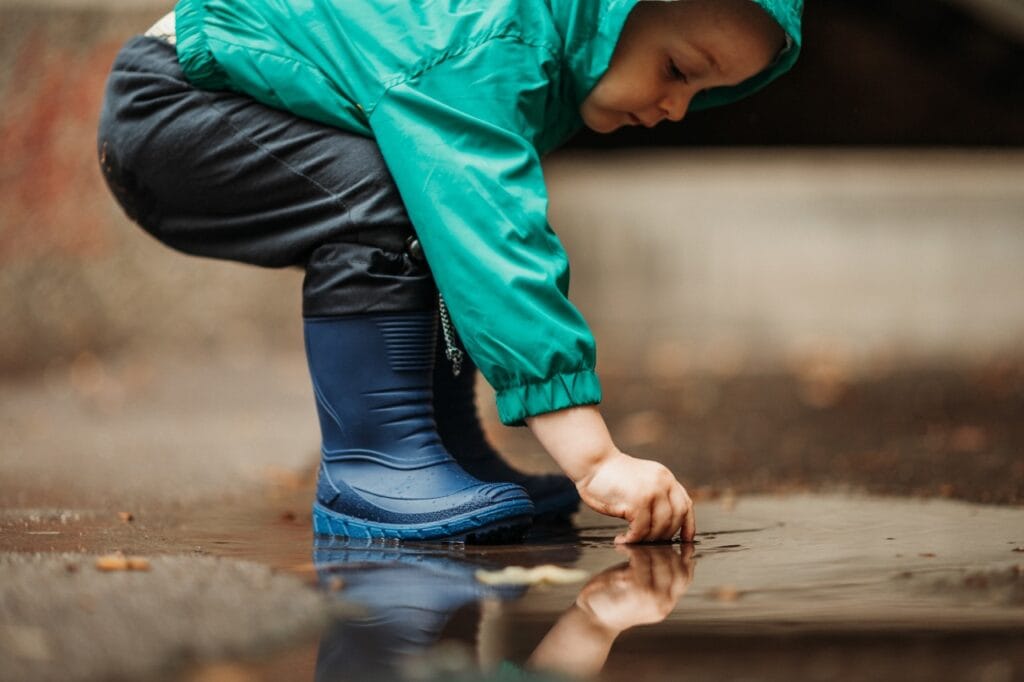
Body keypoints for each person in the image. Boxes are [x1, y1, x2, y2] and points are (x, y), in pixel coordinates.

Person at [97, 0, 802, 544]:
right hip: (173, 109)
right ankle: (374, 465)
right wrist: (595, 459)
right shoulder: (487, 38)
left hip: (204, 106)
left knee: (424, 198)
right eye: (678, 70)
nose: (677, 107)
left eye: (704, 91)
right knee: (408, 195)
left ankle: (444, 444)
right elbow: (489, 239)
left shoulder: (531, 40)